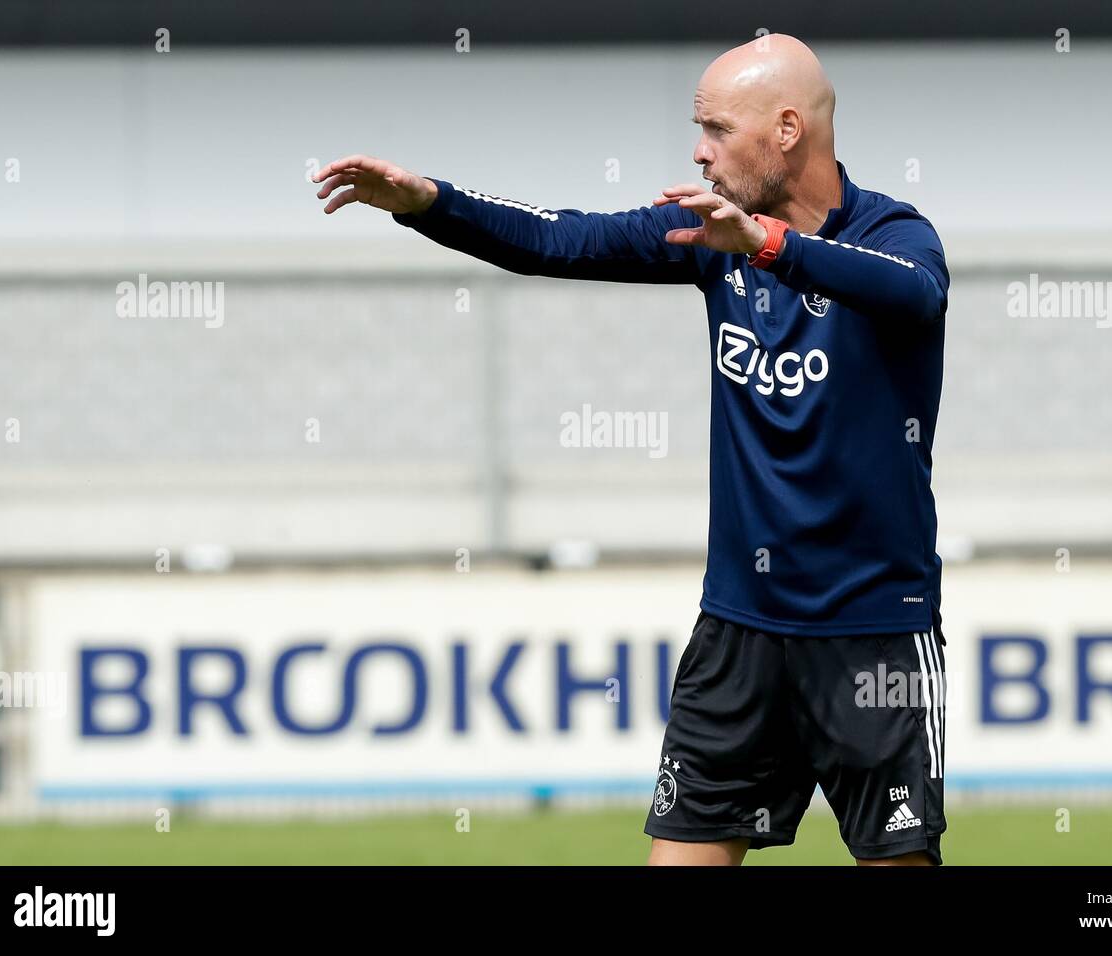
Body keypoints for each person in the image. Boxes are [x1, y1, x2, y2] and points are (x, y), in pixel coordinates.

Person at [313, 33, 949, 866]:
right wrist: (428, 200)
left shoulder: (895, 236)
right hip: (739, 632)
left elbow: (915, 293)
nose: (699, 149)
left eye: (717, 128)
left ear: (787, 130)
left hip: (873, 634)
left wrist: (763, 245)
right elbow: (560, 240)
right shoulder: (708, 242)